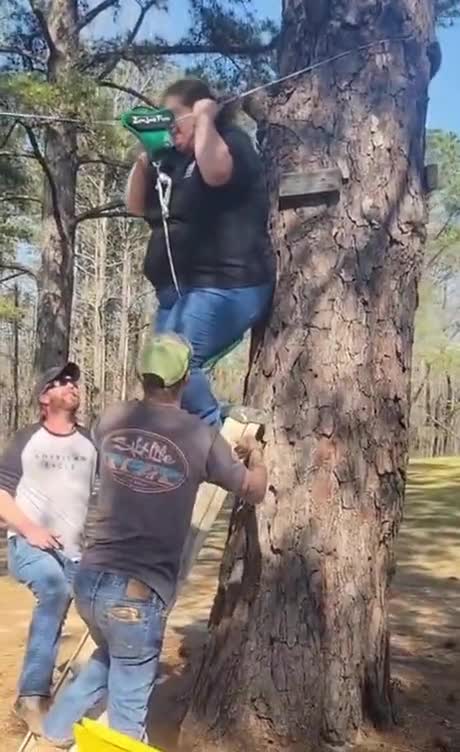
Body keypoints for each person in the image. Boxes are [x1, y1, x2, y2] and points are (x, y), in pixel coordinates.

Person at [39, 333, 268, 748]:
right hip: (137, 593)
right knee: (128, 711)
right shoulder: (201, 437)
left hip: (89, 581)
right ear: (186, 380)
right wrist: (256, 454)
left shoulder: (111, 419)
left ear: (142, 375)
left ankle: (54, 732)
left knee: (110, 658)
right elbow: (252, 489)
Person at [126, 78, 276, 426]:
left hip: (227, 284)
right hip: (176, 294)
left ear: (200, 108)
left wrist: (206, 119)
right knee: (156, 375)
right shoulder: (168, 162)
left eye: (174, 117)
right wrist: (145, 156)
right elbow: (135, 206)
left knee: (178, 365)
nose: (168, 126)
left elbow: (217, 173)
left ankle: (214, 436)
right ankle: (213, 419)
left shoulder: (230, 142)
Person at [0, 363, 97, 733]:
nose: (71, 385)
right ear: (44, 397)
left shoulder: (90, 442)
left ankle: (85, 689)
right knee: (54, 590)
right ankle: (31, 698)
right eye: (60, 382)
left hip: (75, 553)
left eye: (73, 381)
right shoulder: (27, 439)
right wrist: (30, 529)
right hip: (28, 545)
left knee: (104, 610)